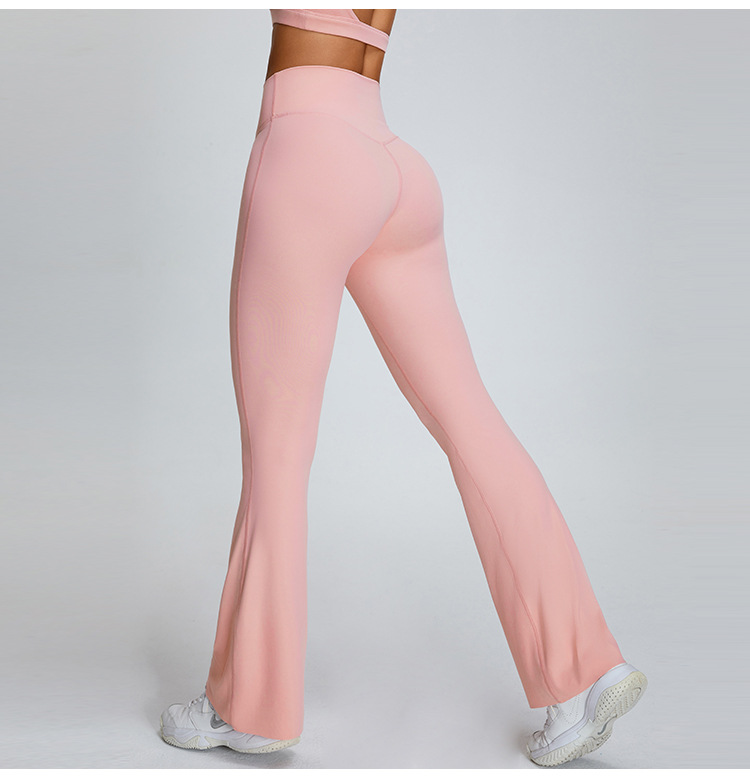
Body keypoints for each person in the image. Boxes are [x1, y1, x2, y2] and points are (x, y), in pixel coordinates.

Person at [158, 9, 647, 767]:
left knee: (277, 451)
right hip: (395, 164)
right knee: (472, 421)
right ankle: (584, 673)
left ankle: (249, 704)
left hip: (308, 153)